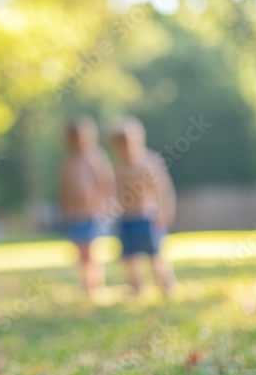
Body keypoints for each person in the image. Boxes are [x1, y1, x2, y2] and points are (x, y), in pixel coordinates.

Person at [108, 117, 176, 296]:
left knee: (155, 255)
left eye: (126, 144)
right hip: (126, 218)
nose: (123, 150)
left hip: (147, 217)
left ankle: (166, 286)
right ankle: (135, 288)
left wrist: (164, 211)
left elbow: (163, 189)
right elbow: (115, 189)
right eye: (119, 146)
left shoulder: (148, 161)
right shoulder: (119, 165)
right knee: (129, 257)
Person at [59, 116, 115, 298]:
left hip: (93, 212)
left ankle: (96, 285)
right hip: (75, 214)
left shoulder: (96, 157)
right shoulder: (69, 162)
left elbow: (106, 182)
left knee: (92, 250)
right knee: (80, 251)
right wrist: (65, 207)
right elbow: (65, 187)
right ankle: (85, 284)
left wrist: (106, 204)